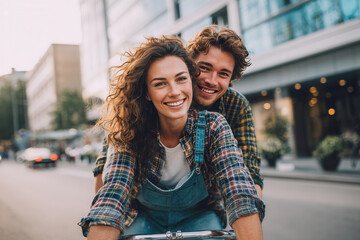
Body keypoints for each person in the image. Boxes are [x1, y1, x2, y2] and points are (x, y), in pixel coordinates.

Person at [79, 36, 264, 240]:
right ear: (146, 92)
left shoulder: (217, 124)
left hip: (200, 214)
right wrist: (102, 216)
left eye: (181, 79)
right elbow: (112, 192)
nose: (175, 92)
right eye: (160, 84)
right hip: (144, 215)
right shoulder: (128, 128)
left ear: (189, 79)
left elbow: (240, 188)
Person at [94, 25, 264, 198]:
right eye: (204, 68)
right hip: (144, 205)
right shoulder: (146, 102)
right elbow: (109, 165)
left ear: (230, 79)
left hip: (201, 206)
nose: (212, 81)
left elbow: (249, 172)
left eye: (223, 74)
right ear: (188, 66)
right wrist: (102, 215)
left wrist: (251, 215)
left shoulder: (235, 106)